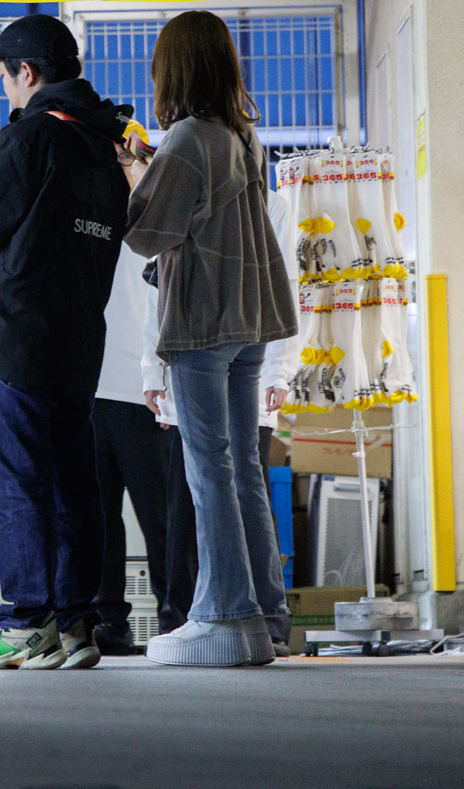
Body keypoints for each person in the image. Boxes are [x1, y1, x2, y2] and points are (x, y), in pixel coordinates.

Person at [0, 14, 131, 671]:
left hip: (10, 342)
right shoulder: (102, 146)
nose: (5, 87)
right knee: (73, 488)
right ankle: (76, 624)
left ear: (28, 72)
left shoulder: (32, 136)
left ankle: (23, 623)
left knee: (14, 488)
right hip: (76, 345)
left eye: (5, 75)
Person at [124, 11, 296, 668]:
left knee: (208, 467)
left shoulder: (188, 137)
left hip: (204, 321)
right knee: (241, 466)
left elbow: (148, 234)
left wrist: (134, 175)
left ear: (173, 69)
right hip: (250, 320)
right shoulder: (241, 135)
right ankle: (259, 617)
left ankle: (221, 612)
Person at [149, 185, 300, 651]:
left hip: (216, 348)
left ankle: (234, 614)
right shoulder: (240, 196)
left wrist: (280, 369)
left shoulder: (242, 197)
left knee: (223, 479)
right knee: (213, 486)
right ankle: (242, 616)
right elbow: (160, 283)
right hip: (223, 347)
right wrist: (151, 369)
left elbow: (285, 283)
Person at [90, 121, 178, 650]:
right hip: (89, 390)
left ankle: (175, 619)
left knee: (161, 519)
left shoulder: (159, 219)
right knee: (98, 522)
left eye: (130, 159)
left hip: (146, 392)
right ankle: (109, 622)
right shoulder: (87, 219)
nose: (122, 168)